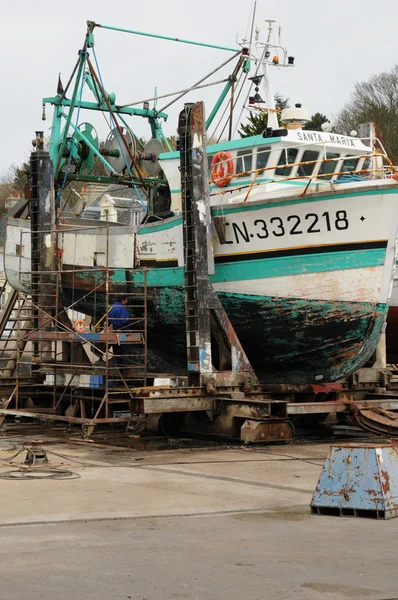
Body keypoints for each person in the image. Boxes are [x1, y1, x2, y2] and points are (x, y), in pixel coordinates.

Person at [108, 296, 131, 369]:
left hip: (114, 330)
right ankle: (125, 368)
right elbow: (125, 320)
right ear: (122, 301)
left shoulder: (112, 307)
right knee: (124, 349)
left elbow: (109, 319)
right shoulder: (122, 308)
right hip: (122, 330)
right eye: (126, 300)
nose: (127, 302)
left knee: (116, 349)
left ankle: (118, 367)